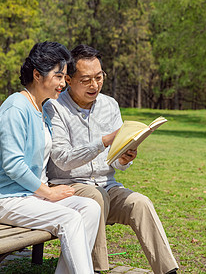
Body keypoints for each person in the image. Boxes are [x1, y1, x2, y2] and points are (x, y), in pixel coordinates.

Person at [43, 44, 179, 274]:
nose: (94, 85)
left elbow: (114, 161)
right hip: (70, 188)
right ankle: (95, 269)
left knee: (141, 203)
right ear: (68, 79)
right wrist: (103, 141)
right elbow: (62, 159)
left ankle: (168, 271)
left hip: (108, 186)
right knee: (94, 198)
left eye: (99, 77)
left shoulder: (110, 105)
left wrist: (124, 157)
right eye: (86, 79)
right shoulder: (55, 107)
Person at [0, 41, 101, 274]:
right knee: (70, 219)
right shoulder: (16, 108)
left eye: (64, 77)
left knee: (90, 208)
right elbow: (14, 166)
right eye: (58, 77)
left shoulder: (42, 109)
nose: (62, 84)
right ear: (37, 75)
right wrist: (48, 193)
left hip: (31, 197)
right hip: (7, 199)